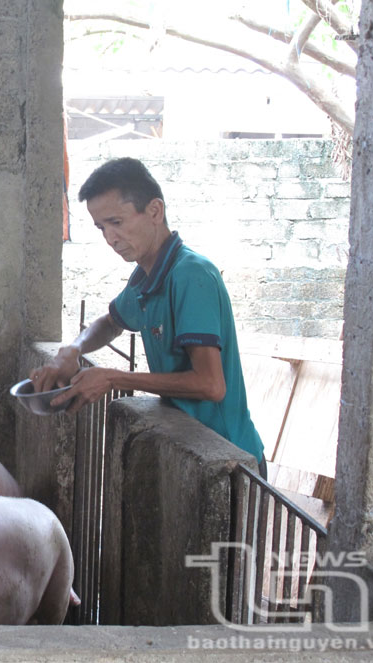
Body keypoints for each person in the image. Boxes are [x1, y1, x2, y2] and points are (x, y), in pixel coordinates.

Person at [29, 157, 267, 479]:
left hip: (230, 461)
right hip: (191, 448)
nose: (110, 238)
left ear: (155, 211)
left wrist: (115, 378)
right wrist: (74, 349)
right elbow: (110, 321)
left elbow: (211, 385)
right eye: (102, 228)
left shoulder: (190, 275)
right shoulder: (146, 277)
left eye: (117, 222)